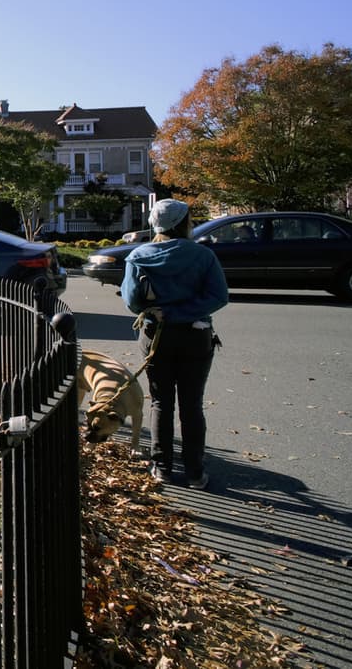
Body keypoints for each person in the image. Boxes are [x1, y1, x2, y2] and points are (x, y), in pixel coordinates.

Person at [121, 199, 228, 489]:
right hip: (196, 335)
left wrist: (161, 312)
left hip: (156, 335)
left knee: (160, 402)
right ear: (184, 223)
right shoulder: (203, 256)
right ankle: (194, 472)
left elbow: (132, 300)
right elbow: (219, 296)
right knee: (192, 405)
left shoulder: (139, 255)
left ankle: (162, 466)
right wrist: (183, 312)